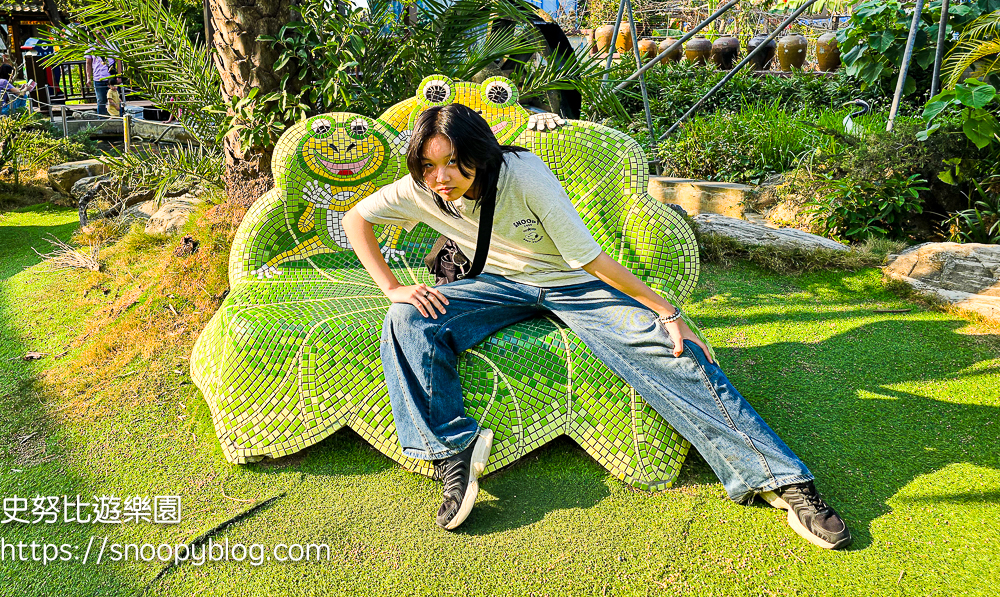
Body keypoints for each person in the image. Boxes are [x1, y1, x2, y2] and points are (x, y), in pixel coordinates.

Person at [342, 104, 851, 549]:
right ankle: (453, 450)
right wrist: (392, 287)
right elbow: (355, 220)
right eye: (430, 166)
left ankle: (780, 479)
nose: (442, 177)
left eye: (453, 162)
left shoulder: (524, 173)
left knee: (671, 350)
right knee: (407, 316)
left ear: (481, 151)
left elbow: (588, 258)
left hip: (572, 283)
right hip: (496, 286)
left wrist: (667, 312)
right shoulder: (420, 188)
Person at [85, 50, 116, 117]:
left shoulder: (111, 44)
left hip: (111, 77)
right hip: (98, 77)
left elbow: (118, 60)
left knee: (114, 98)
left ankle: (117, 118)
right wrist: (88, 78)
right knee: (101, 100)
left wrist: (119, 76)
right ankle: (101, 120)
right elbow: (88, 63)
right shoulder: (91, 47)